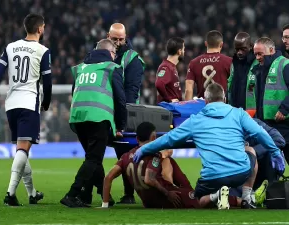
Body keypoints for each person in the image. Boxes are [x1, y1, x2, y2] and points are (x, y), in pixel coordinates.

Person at [133, 83, 285, 210]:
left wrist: (144, 148)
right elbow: (260, 133)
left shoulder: (195, 120)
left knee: (198, 201)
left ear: (205, 101)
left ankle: (215, 196)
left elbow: (168, 139)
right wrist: (275, 153)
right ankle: (246, 197)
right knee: (250, 150)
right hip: (241, 172)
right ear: (224, 99)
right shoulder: (238, 114)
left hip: (212, 178)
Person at [0, 13, 51, 206]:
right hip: (28, 103)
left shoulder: (10, 47)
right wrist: (46, 102)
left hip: (11, 105)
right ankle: (10, 194)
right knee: (23, 150)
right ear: (40, 29)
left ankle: (32, 193)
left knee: (21, 150)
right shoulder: (43, 51)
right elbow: (47, 82)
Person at [60, 39, 127, 208]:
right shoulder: (112, 68)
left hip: (78, 117)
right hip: (99, 116)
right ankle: (72, 194)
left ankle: (99, 194)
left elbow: (74, 92)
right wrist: (121, 125)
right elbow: (120, 99)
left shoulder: (80, 68)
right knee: (93, 158)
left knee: (92, 158)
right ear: (111, 53)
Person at [101, 122, 200, 209]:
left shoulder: (125, 157)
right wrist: (167, 193)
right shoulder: (155, 155)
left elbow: (108, 177)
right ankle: (194, 193)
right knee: (202, 200)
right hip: (164, 198)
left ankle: (188, 190)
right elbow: (149, 179)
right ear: (154, 138)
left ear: (136, 138)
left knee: (167, 159)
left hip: (148, 203)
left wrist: (105, 205)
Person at [106, 23, 145, 204]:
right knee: (120, 152)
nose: (119, 42)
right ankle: (127, 192)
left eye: (121, 39)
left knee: (125, 152)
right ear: (108, 36)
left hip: (125, 111)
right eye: (115, 39)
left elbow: (131, 90)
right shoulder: (104, 53)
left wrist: (123, 116)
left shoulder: (133, 59)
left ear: (126, 36)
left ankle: (129, 193)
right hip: (107, 109)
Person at [251, 37, 289, 164]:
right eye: (255, 54)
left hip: (284, 124)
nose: (257, 57)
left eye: (260, 53)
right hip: (266, 124)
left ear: (271, 50)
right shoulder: (259, 69)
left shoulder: (284, 64)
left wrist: (284, 109)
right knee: (266, 162)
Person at [185, 30, 232, 100]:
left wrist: (188, 108)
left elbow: (189, 88)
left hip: (202, 107)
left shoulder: (194, 63)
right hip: (222, 106)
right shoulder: (229, 61)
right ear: (221, 44)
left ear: (206, 44)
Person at [228, 32, 259, 109]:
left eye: (243, 49)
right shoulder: (234, 64)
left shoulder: (257, 63)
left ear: (251, 46)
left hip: (252, 111)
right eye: (237, 49)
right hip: (234, 109)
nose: (239, 52)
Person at [155, 37, 185, 103]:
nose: (184, 51)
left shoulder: (171, 66)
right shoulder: (166, 67)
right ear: (179, 51)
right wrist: (169, 100)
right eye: (183, 49)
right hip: (169, 110)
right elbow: (159, 84)